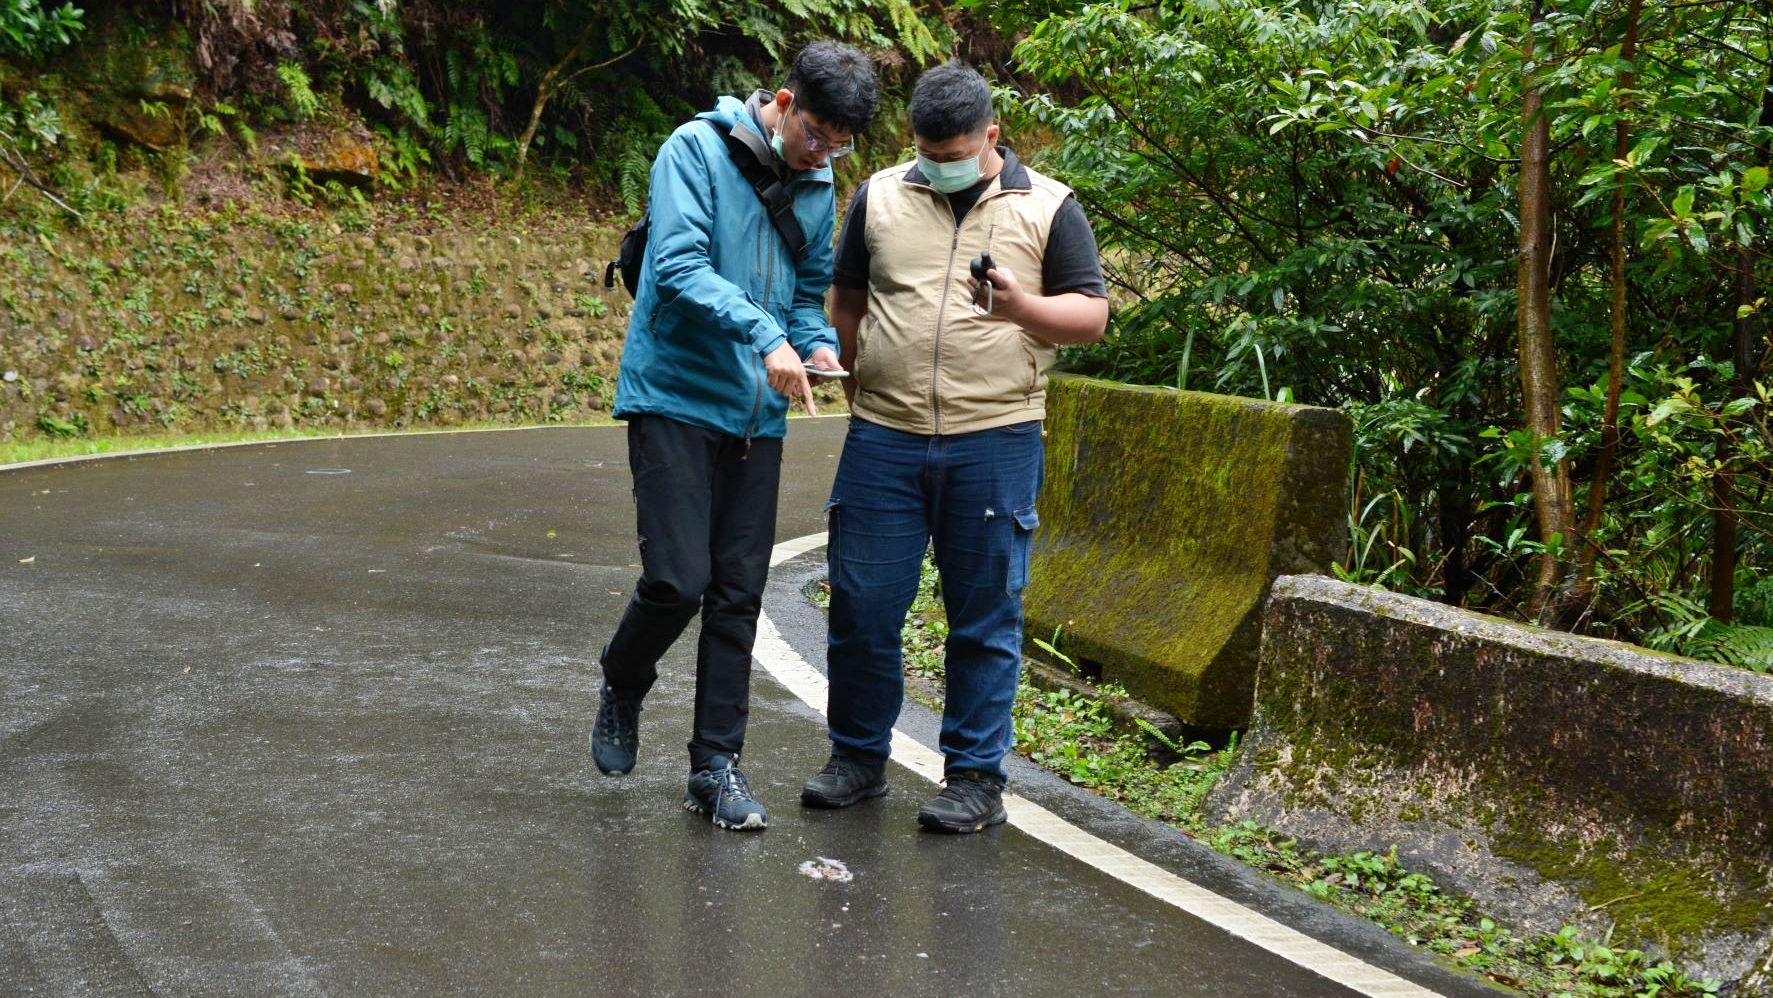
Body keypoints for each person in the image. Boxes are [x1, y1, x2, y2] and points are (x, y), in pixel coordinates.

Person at [800, 61, 1109, 832]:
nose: (937, 164)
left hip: (996, 439)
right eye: (925, 150)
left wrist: (1021, 308)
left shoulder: (1048, 208)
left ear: (991, 137)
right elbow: (847, 299)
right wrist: (855, 378)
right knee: (863, 605)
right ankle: (857, 759)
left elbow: (1090, 316)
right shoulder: (877, 195)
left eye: (954, 150)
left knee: (982, 616)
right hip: (883, 436)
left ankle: (974, 779)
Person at [592, 41, 879, 832]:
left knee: (737, 597)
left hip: (756, 414)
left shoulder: (818, 186)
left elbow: (801, 296)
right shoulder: (692, 150)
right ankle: (623, 675)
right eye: (815, 133)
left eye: (839, 143)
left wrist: (812, 343)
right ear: (784, 102)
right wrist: (767, 336)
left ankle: (714, 768)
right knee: (676, 581)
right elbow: (678, 270)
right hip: (674, 396)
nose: (823, 153)